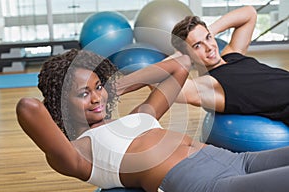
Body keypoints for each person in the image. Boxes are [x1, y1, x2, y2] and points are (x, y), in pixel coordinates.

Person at [16, 48, 289, 192]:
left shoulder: (140, 115)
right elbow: (28, 108)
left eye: (97, 87)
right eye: (83, 93)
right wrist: (61, 100)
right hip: (206, 187)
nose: (96, 97)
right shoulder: (77, 153)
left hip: (235, 159)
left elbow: (180, 64)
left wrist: (114, 86)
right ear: (62, 102)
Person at [117, 5, 289, 126]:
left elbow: (249, 13)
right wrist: (181, 54)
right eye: (197, 46)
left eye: (208, 38)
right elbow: (155, 82)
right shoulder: (208, 86)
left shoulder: (232, 54)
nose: (209, 48)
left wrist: (206, 31)